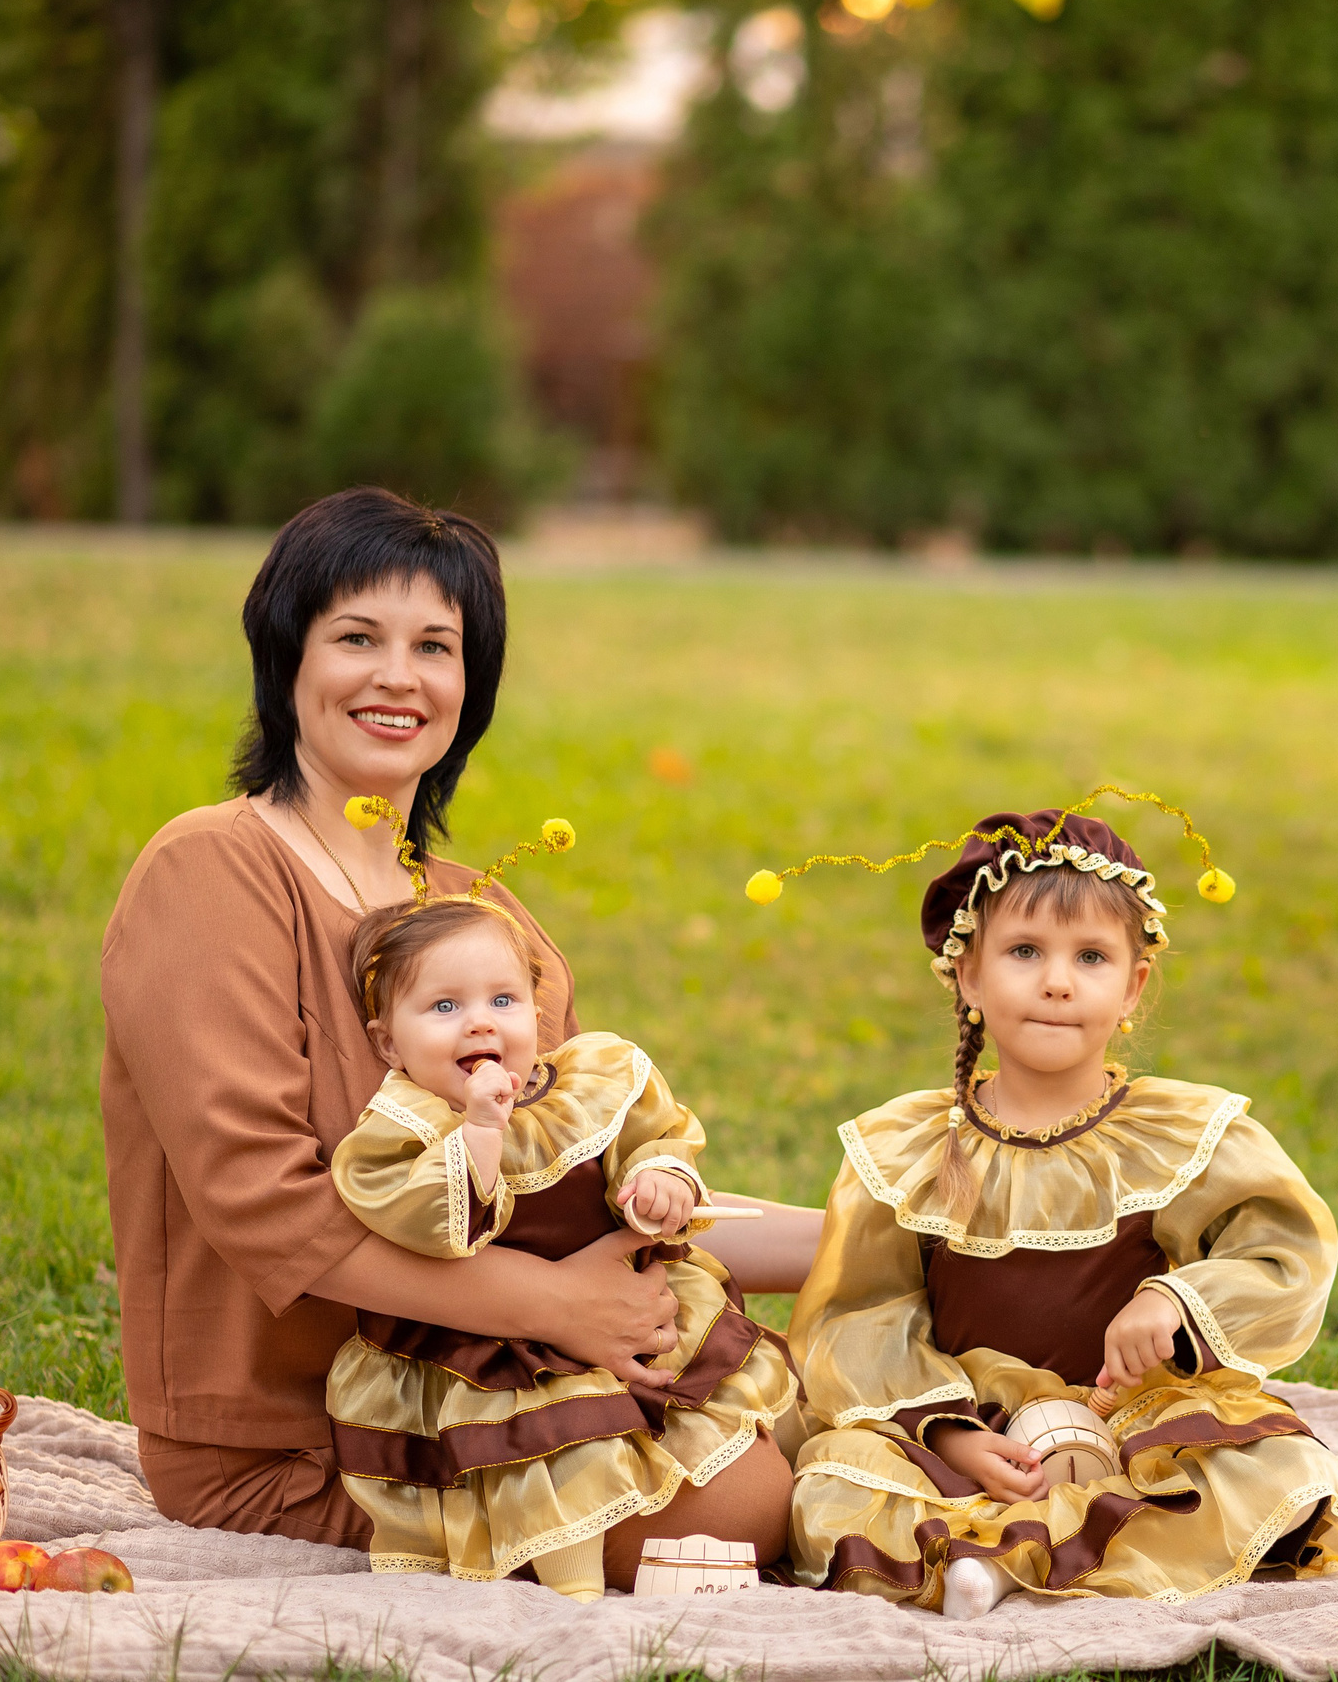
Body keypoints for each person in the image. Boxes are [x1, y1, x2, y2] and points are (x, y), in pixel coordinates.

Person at [99, 487, 817, 1576]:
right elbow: (269, 1205)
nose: (399, 675)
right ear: (286, 656)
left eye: (436, 645)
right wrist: (559, 1302)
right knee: (759, 1503)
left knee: (863, 1400)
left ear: (468, 685)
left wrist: (876, 1234)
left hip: (520, 1382)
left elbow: (583, 1177)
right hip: (297, 1438)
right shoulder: (208, 873)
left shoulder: (476, 916)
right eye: (357, 637)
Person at [754, 790, 1338, 1616]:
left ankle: (1006, 1564)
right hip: (967, 1420)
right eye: (1024, 950)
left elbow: (1287, 1251)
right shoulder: (909, 1148)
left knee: (1277, 1466)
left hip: (1132, 1412)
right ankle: (1026, 1541)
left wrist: (1175, 1297)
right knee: (832, 1484)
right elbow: (858, 1316)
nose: (1057, 982)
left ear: (1133, 985)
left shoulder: (1180, 1132)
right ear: (969, 973)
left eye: (1090, 957)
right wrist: (950, 1433)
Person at [325, 837, 798, 1599]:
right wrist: (480, 1130)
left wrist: (659, 1179)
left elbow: (653, 1136)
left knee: (707, 1415)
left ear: (537, 1014)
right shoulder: (406, 1124)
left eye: (501, 1001)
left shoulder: (585, 1082)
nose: (480, 1024)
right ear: (389, 1041)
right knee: (560, 1460)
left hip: (622, 1316)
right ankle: (571, 1584)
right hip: (494, 1358)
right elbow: (430, 1224)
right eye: (444, 1007)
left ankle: (722, 1519)